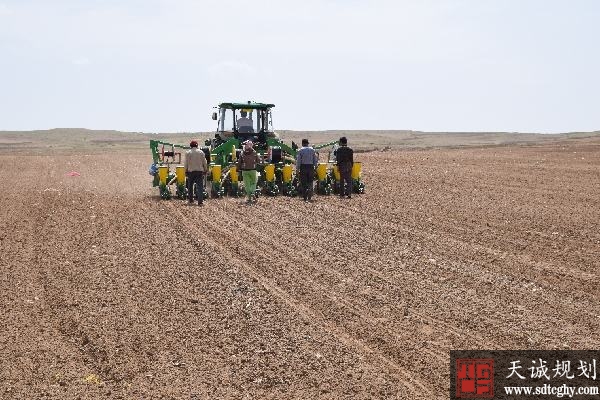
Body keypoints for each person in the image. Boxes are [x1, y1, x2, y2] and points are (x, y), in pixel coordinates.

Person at [185, 140, 208, 205]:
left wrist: (185, 171)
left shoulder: (188, 153)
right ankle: (200, 202)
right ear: (197, 146)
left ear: (190, 146)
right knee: (200, 187)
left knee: (190, 186)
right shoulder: (201, 152)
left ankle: (191, 201)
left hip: (191, 172)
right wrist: (205, 170)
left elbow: (186, 163)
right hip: (199, 171)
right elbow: (204, 162)